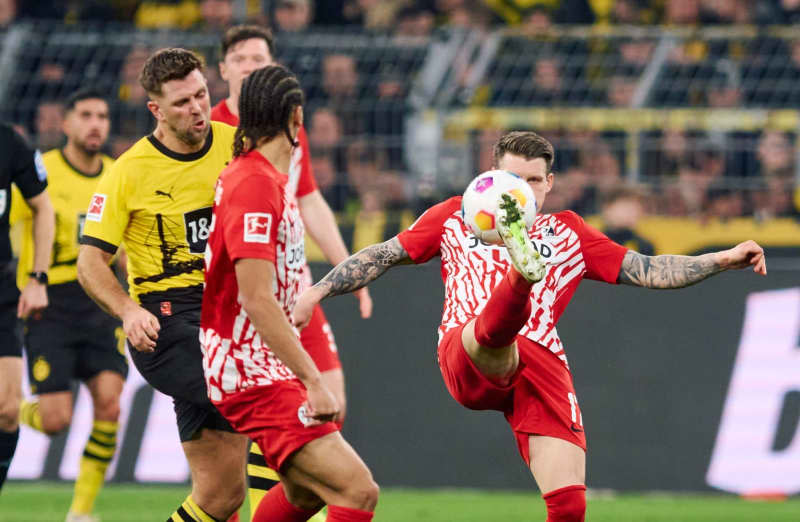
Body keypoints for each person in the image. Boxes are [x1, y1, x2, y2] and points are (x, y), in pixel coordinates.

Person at [294, 131, 767, 522]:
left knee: (570, 506)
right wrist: (316, 291)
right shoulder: (455, 216)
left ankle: (523, 273)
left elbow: (651, 270)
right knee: (493, 336)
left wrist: (721, 259)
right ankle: (522, 273)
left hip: (540, 362)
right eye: (509, 180)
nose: (519, 191)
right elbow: (383, 255)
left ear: (549, 184)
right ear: (489, 179)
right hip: (469, 348)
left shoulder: (569, 233)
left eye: (532, 181)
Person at [201, 63, 379, 522]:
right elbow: (254, 298)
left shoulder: (265, 179)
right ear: (296, 117)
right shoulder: (255, 184)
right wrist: (313, 380)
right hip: (249, 371)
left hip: (261, 363)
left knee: (304, 494)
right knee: (357, 491)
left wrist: (300, 299)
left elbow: (266, 285)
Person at [76, 48, 246, 521]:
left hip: (231, 312)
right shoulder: (128, 173)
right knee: (271, 403)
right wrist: (128, 310)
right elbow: (90, 262)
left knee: (221, 497)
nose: (195, 109)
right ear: (155, 109)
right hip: (168, 322)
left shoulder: (237, 146)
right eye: (181, 103)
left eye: (200, 95)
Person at [12, 88, 126, 522]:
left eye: (102, 115)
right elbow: (16, 231)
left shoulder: (118, 174)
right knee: (56, 418)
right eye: (86, 115)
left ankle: (81, 512)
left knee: (111, 404)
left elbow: (129, 241)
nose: (95, 123)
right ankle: (9, 407)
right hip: (50, 300)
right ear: (66, 124)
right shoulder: (41, 173)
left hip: (100, 297)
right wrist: (24, 283)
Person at [0, 123, 55, 492]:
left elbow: (43, 208)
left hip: (1, 289)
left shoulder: (8, 141)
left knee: (6, 411)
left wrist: (38, 277)